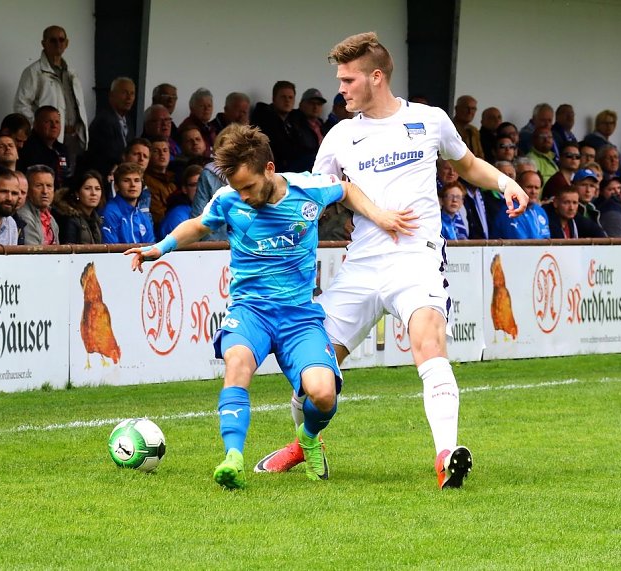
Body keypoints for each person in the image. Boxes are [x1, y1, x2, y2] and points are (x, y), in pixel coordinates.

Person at [254, 32, 528, 489]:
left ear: (375, 77)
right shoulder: (340, 136)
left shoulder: (429, 120)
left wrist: (505, 183)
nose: (340, 89)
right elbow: (319, 193)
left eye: (347, 79)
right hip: (360, 267)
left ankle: (446, 455)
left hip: (416, 260)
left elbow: (468, 164)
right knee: (312, 376)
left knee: (429, 343)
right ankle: (304, 444)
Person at [125, 123, 416, 489]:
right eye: (237, 188)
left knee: (323, 393)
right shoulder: (228, 200)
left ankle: (309, 436)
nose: (243, 196)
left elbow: (346, 188)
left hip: (299, 317)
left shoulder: (308, 189)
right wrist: (159, 248)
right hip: (251, 312)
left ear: (269, 169)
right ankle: (233, 457)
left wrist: (379, 215)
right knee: (238, 363)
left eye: (249, 186)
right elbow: (198, 226)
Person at [14, 25, 88, 162]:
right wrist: (38, 129)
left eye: (61, 40)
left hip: (72, 137)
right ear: (43, 43)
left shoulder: (72, 73)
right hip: (45, 140)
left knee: (70, 179)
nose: (58, 44)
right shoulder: (33, 72)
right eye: (53, 40)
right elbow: (21, 105)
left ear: (67, 43)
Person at [86, 77, 136, 177]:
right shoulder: (103, 121)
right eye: (125, 93)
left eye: (132, 93)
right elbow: (111, 156)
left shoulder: (128, 121)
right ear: (111, 95)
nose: (129, 98)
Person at [250, 80, 300, 172]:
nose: (287, 100)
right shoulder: (264, 118)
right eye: (283, 97)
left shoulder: (295, 120)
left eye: (290, 97)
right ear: (274, 99)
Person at [17, 106, 71, 188]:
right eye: (48, 122)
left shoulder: (62, 149)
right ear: (35, 124)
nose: (54, 126)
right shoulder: (27, 148)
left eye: (57, 122)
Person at [101, 161, 154, 244]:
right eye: (126, 180)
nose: (133, 185)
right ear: (116, 186)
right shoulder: (110, 212)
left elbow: (151, 248)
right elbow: (110, 252)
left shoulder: (142, 217)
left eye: (137, 180)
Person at [491, 170, 550, 239]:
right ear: (518, 186)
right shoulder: (510, 210)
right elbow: (521, 245)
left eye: (536, 188)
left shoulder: (540, 210)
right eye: (529, 187)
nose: (533, 191)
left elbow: (547, 240)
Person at [52, 169, 103, 244]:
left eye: (97, 189)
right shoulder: (69, 219)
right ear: (77, 193)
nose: (93, 193)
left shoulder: (96, 219)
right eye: (87, 188)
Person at [18, 164, 59, 245]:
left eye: (49, 186)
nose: (45, 191)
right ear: (27, 190)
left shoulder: (51, 219)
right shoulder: (23, 216)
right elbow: (33, 254)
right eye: (39, 186)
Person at [159, 163, 203, 237]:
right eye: (194, 185)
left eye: (202, 184)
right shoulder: (177, 216)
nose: (199, 188)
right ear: (184, 189)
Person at [145, 136, 177, 224]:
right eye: (156, 151)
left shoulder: (172, 180)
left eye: (165, 150)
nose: (162, 154)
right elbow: (157, 215)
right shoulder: (147, 181)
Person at [177, 88, 216, 156]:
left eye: (209, 106)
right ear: (191, 108)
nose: (206, 109)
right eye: (202, 106)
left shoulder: (210, 127)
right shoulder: (187, 128)